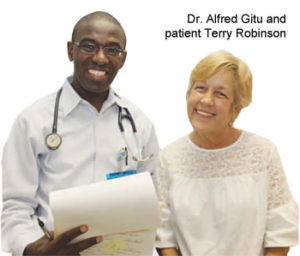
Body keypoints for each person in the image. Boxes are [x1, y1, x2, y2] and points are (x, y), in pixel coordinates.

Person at [1, 11, 159, 255]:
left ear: (123, 59)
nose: (100, 58)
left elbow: (152, 201)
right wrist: (31, 249)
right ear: (70, 51)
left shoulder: (139, 124)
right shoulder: (32, 122)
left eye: (112, 50)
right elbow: (16, 206)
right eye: (89, 46)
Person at [155, 50, 298, 256]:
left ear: (236, 109)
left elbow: (281, 232)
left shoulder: (263, 153)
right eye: (200, 88)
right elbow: (163, 235)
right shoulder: (168, 158)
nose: (206, 100)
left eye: (220, 93)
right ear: (188, 94)